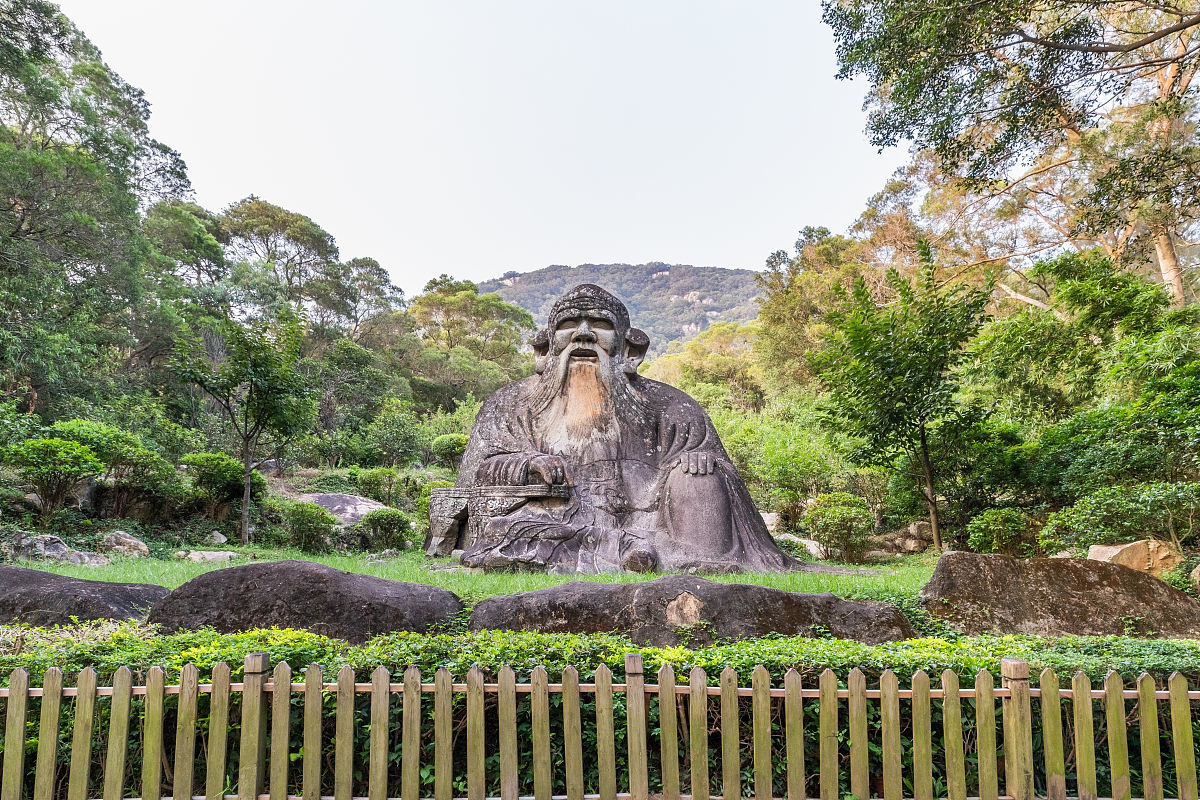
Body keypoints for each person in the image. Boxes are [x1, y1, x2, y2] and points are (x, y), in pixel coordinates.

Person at [448, 283, 793, 573]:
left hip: (650, 521)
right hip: (558, 515)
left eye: (600, 324)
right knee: (514, 529)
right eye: (569, 324)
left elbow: (720, 473)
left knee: (700, 474)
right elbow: (476, 475)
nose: (583, 334)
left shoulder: (673, 406)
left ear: (629, 350)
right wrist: (529, 464)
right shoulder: (510, 404)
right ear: (546, 349)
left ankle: (695, 560)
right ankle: (623, 551)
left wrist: (697, 461)